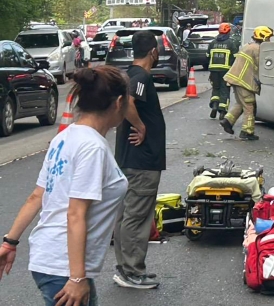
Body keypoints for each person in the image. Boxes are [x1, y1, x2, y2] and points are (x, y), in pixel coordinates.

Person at [0, 67, 133, 306]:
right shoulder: (93, 148)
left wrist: (10, 242)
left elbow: (37, 195)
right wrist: (77, 277)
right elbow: (75, 213)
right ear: (119, 102)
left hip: (55, 260)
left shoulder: (65, 137)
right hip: (65, 266)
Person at [113, 31, 164, 290]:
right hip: (142, 161)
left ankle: (125, 268)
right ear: (153, 51)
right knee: (137, 217)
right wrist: (141, 126)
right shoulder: (141, 77)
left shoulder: (127, 74)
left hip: (128, 158)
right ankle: (132, 272)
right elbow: (128, 102)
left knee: (125, 216)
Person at [220, 26, 272, 141]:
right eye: (268, 38)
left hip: (236, 79)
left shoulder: (248, 46)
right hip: (244, 81)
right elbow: (263, 65)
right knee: (249, 105)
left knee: (241, 103)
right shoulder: (258, 49)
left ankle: (228, 121)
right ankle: (247, 131)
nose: (269, 41)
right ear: (263, 37)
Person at [207, 23, 240, 119]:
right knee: (224, 89)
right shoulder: (231, 43)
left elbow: (207, 56)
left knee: (215, 88)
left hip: (214, 70)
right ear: (228, 31)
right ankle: (222, 111)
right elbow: (235, 57)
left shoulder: (212, 43)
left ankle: (214, 105)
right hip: (226, 71)